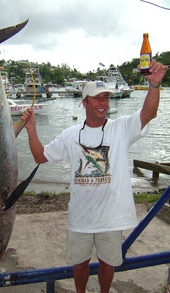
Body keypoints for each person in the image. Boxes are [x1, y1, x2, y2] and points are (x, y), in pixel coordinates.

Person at [21, 59, 168, 293]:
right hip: (80, 217)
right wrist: (32, 131)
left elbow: (148, 113)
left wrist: (154, 86)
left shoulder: (121, 128)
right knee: (79, 265)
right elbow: (40, 156)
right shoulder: (70, 135)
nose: (102, 103)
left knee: (108, 265)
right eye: (96, 98)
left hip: (111, 218)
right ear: (84, 103)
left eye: (106, 97)